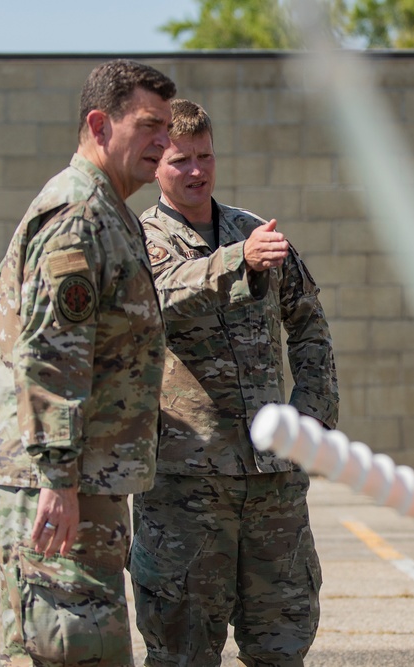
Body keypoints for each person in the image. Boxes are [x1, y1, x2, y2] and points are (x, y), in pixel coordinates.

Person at [0, 59, 175, 666]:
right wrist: (58, 478)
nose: (163, 142)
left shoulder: (107, 209)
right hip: (68, 481)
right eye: (148, 125)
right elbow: (49, 357)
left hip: (87, 475)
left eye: (166, 127)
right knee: (74, 646)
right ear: (99, 124)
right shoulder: (79, 214)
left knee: (51, 643)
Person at [129, 99, 338, 667]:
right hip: (185, 487)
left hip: (273, 483)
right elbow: (157, 303)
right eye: (180, 161)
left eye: (205, 157)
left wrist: (311, 413)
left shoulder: (254, 232)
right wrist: (235, 263)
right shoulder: (137, 240)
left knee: (282, 643)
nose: (196, 172)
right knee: (183, 650)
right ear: (153, 166)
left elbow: (310, 324)